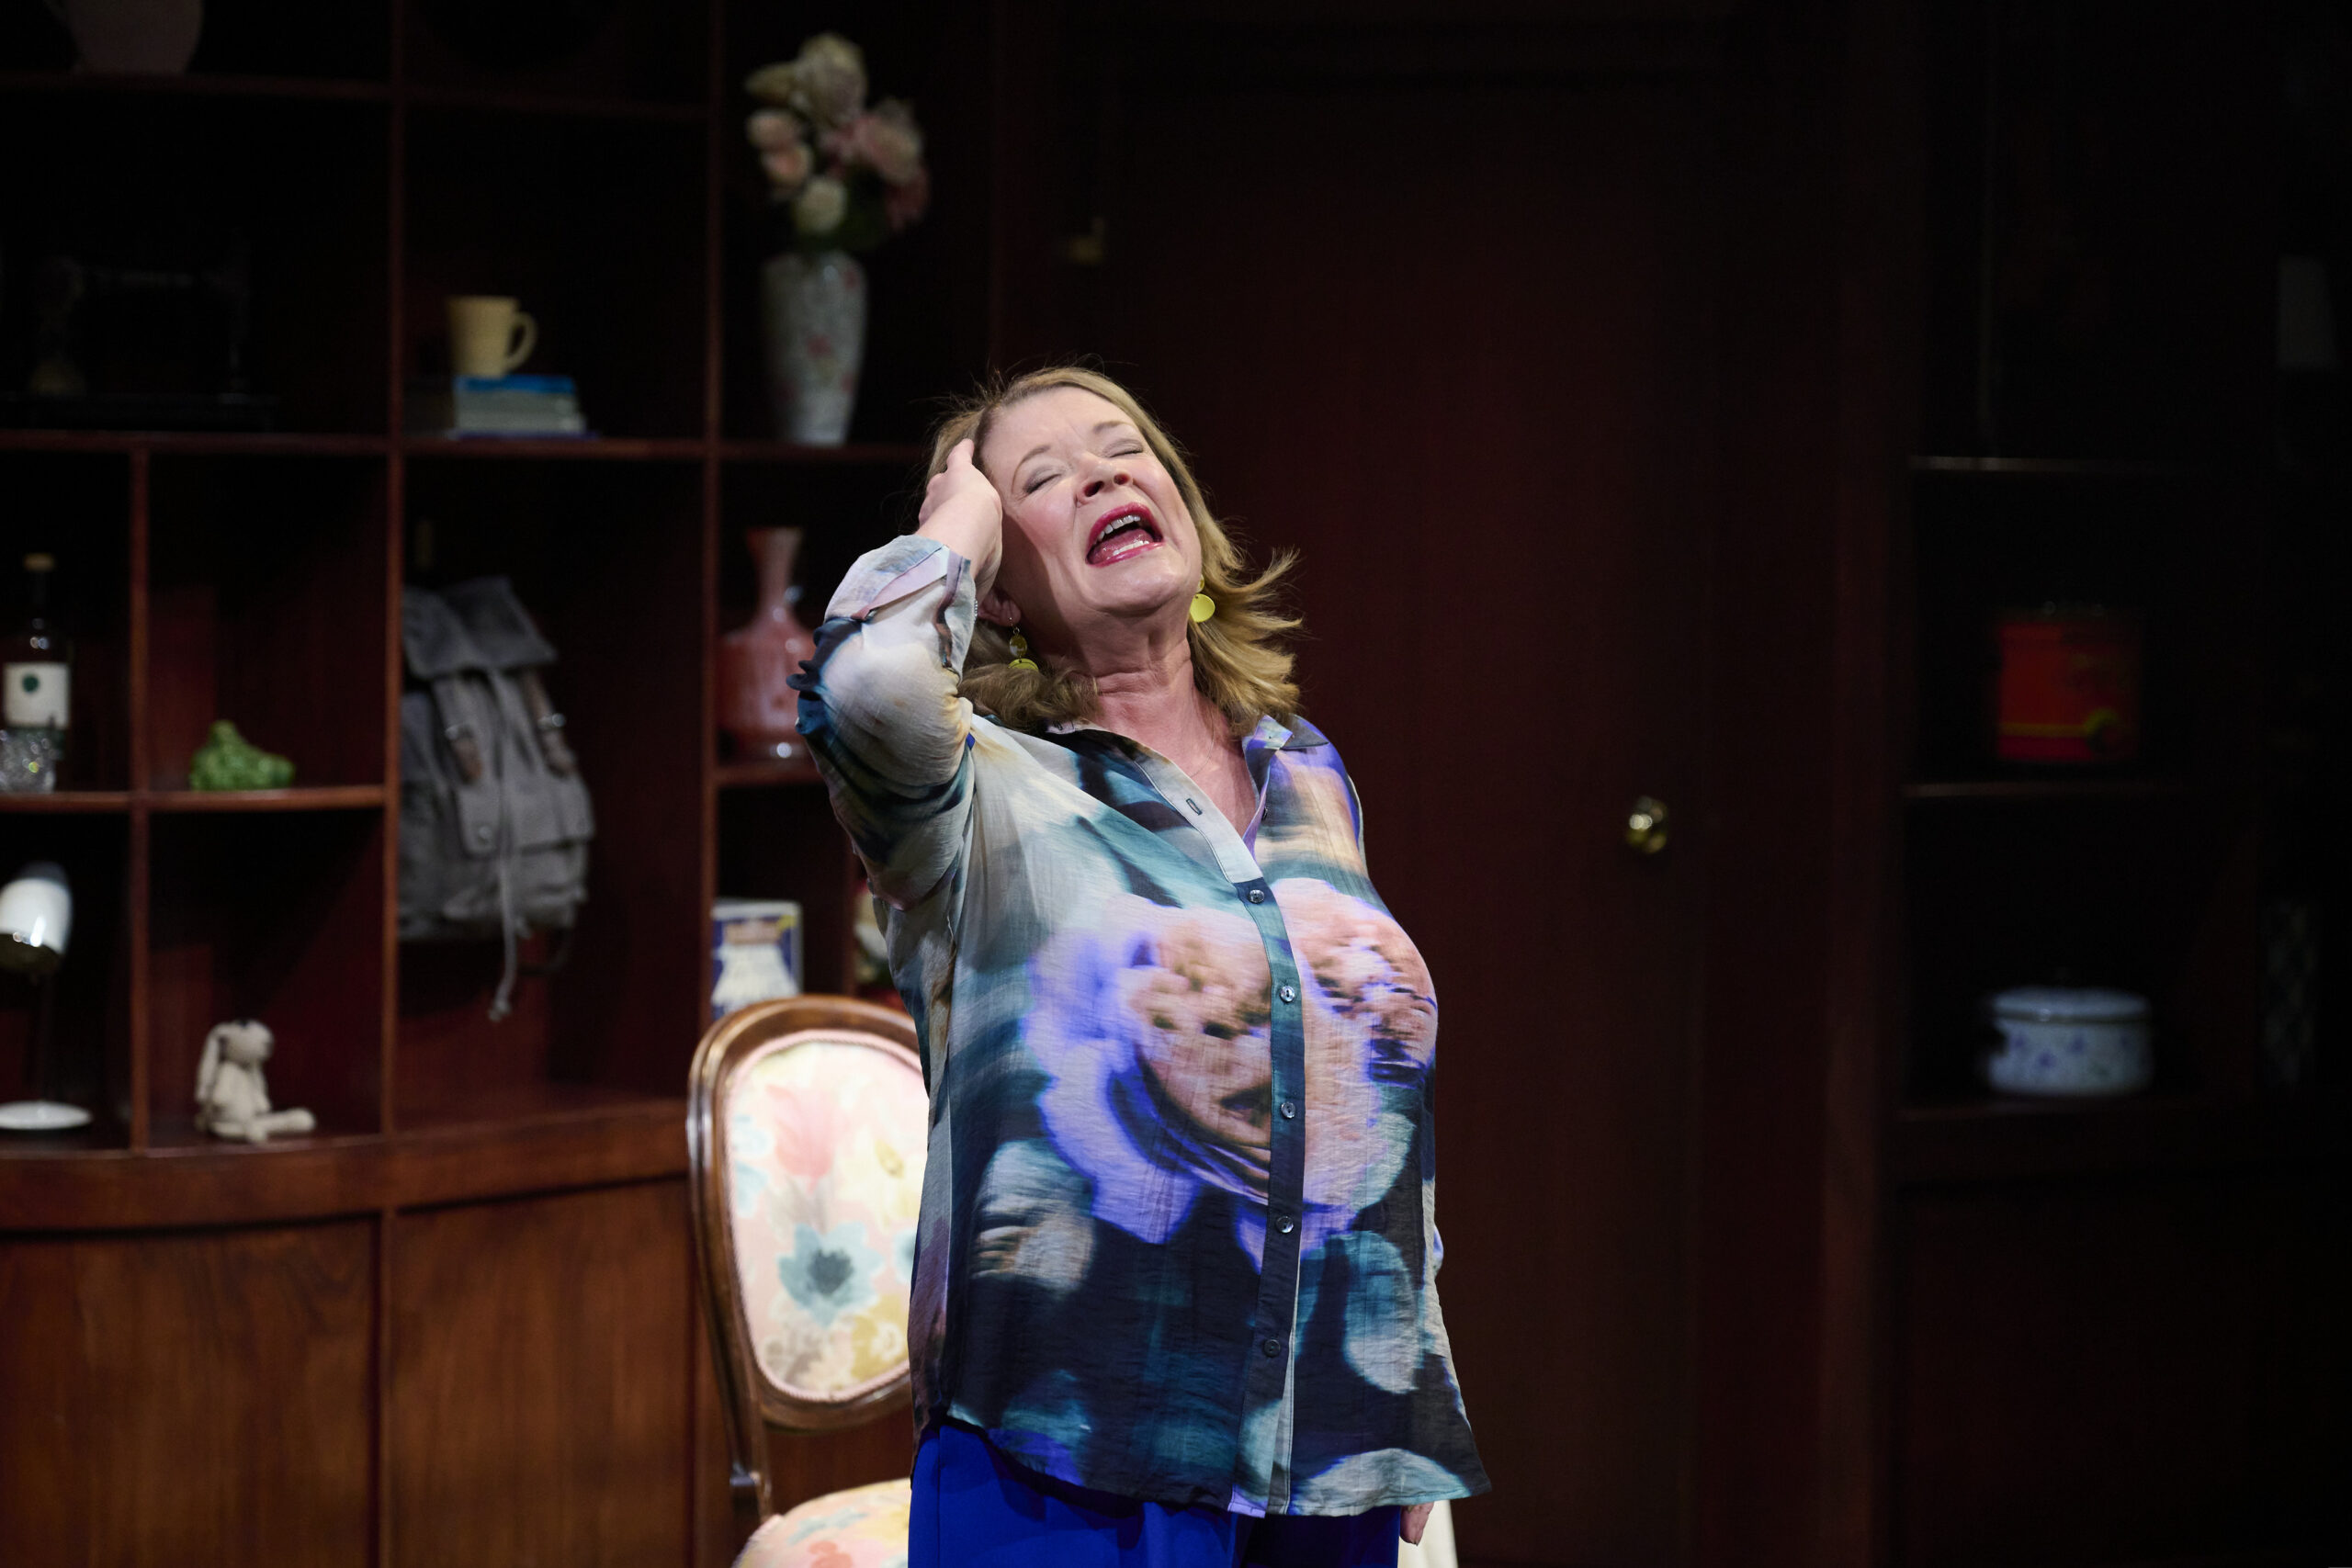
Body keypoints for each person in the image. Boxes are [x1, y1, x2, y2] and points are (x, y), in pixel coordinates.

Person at [796, 367, 1487, 1567]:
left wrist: (1404, 1385)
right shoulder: (977, 798)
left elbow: (1364, 1090)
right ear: (997, 588)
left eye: (1125, 449)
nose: (1104, 473)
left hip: (1325, 1460)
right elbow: (864, 687)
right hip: (1067, 1470)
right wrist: (949, 524)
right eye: (1042, 480)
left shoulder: (1309, 771)